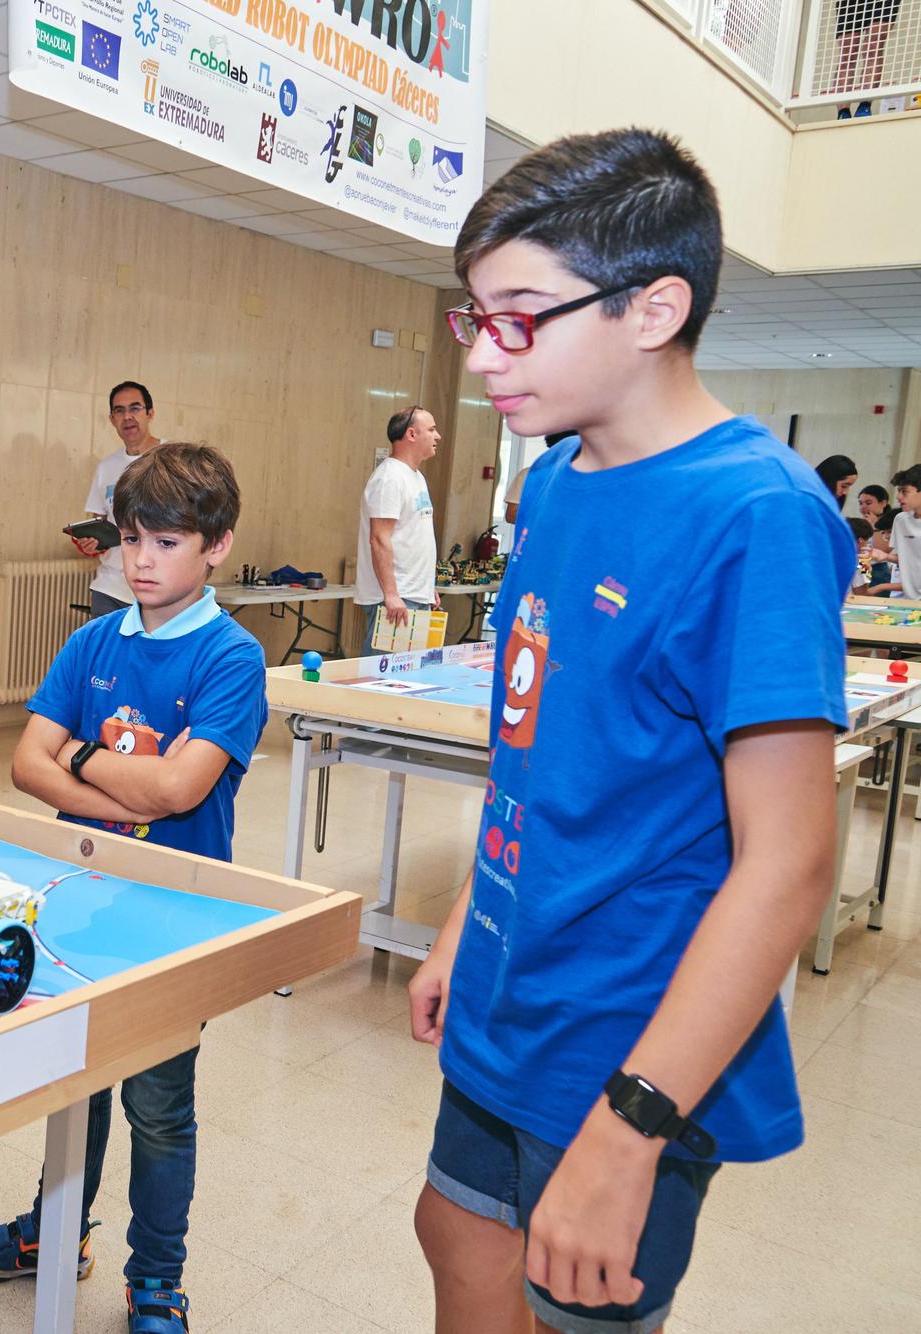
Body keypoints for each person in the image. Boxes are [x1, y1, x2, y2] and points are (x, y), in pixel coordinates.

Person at [415, 128, 853, 1334]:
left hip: (630, 1035)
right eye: (474, 318)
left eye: (520, 316)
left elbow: (788, 861)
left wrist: (632, 1127)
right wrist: (463, 919)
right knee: (454, 1233)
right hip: (515, 983)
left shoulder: (754, 513)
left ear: (652, 306)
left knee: (572, 1303)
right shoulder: (556, 481)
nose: (485, 355)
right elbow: (535, 748)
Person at [0, 443, 266, 1334]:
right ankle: (54, 1232)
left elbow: (176, 793)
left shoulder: (231, 659)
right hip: (75, 902)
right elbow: (21, 764)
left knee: (159, 1108)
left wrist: (78, 760)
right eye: (131, 539)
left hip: (173, 918)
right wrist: (113, 778)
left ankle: (156, 1275)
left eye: (166, 541)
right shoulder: (91, 640)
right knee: (70, 1086)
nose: (143, 559)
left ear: (216, 546)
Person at [76, 381, 162, 619]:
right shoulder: (106, 467)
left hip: (156, 588)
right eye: (119, 410)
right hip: (110, 587)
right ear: (112, 418)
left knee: (148, 656)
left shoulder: (172, 457)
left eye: (135, 408)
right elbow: (99, 524)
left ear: (150, 413)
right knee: (104, 656)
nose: (127, 417)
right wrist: (92, 542)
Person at [357, 405, 442, 637]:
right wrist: (392, 594)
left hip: (414, 594)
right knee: (383, 673)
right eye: (432, 429)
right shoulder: (390, 478)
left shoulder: (416, 476)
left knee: (409, 674)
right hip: (395, 599)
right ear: (412, 434)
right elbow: (379, 538)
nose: (438, 436)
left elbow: (413, 537)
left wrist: (426, 588)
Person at [884, 466, 921, 599]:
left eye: (904, 492)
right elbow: (908, 560)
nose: (898, 497)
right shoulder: (900, 520)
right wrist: (884, 556)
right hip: (908, 599)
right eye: (898, 491)